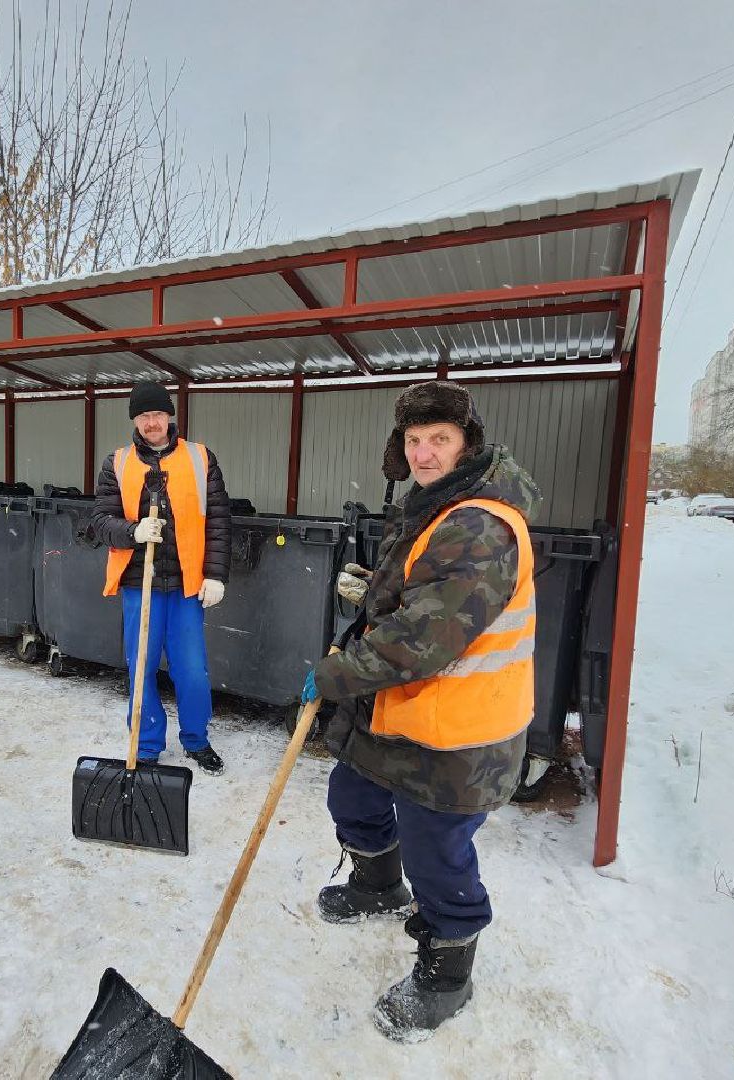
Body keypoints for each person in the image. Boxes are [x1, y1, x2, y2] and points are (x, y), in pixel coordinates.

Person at [300, 379, 541, 1041]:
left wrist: (332, 675)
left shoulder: (480, 525)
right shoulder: (435, 505)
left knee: (438, 853)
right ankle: (378, 885)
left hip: (461, 732)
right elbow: (419, 592)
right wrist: (373, 591)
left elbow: (423, 641)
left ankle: (447, 972)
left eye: (440, 439)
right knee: (353, 794)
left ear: (467, 445)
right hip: (404, 713)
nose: (425, 452)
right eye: (414, 440)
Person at [90, 382, 233, 774]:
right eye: (144, 415)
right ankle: (147, 743)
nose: (152, 422)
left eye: (158, 414)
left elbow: (218, 521)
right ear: (134, 419)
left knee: (191, 670)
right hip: (140, 585)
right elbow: (100, 521)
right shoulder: (116, 463)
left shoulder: (200, 458)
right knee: (141, 669)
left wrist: (215, 575)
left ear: (170, 415)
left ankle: (196, 740)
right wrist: (132, 532)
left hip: (187, 586)